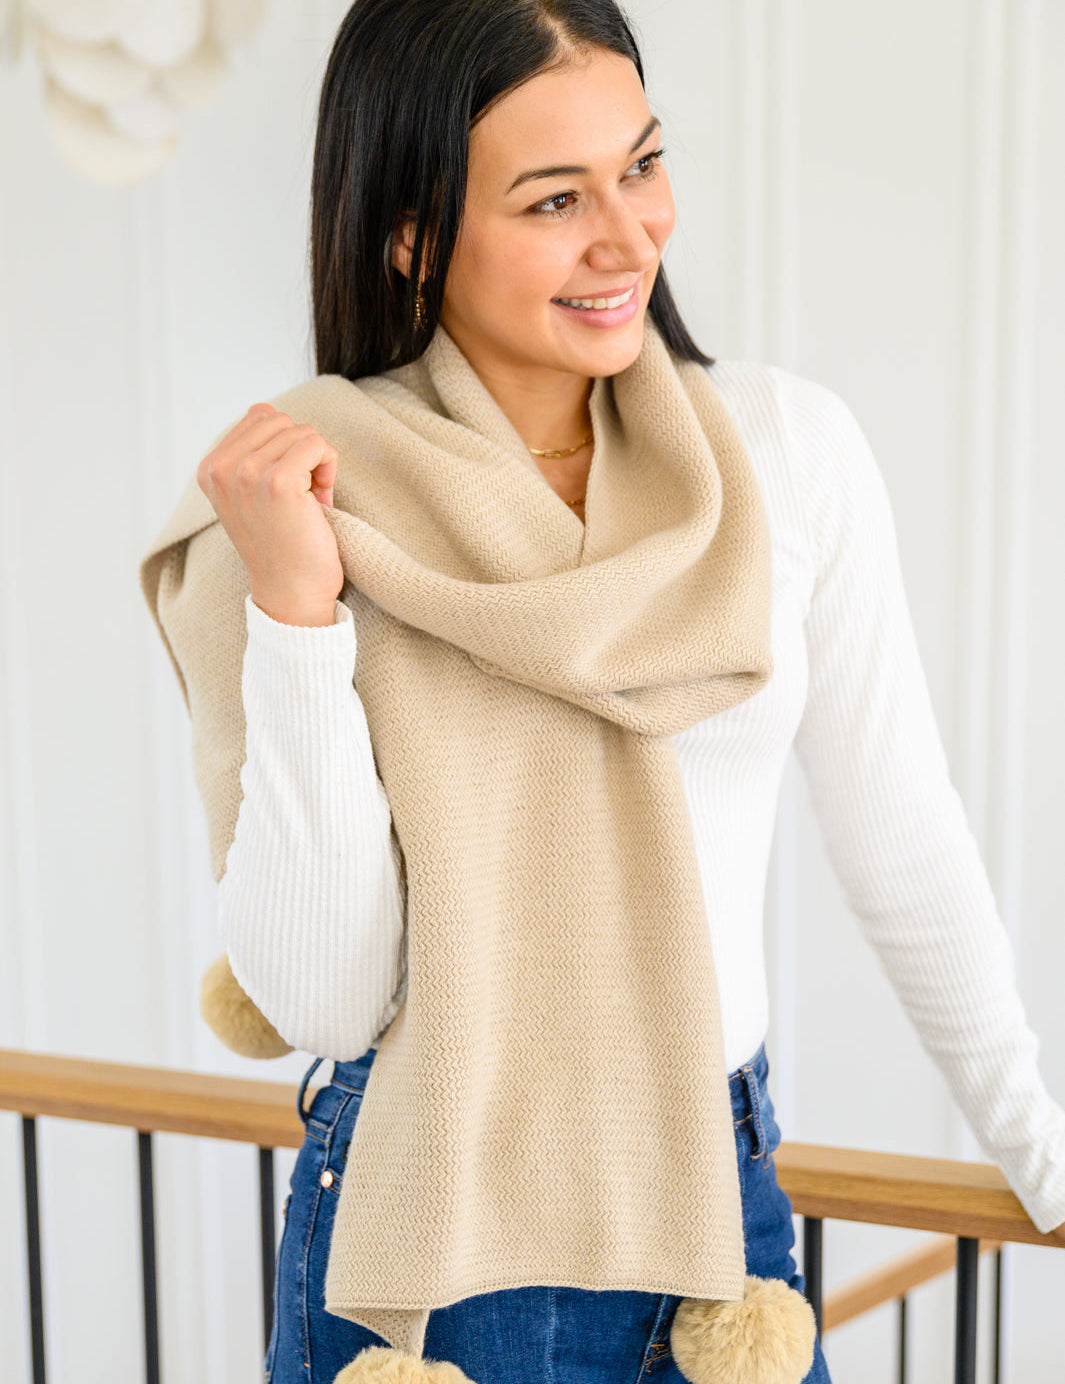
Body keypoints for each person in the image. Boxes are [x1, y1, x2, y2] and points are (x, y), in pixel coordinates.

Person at [161, 1, 1065, 1381]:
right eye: (553, 199)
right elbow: (331, 998)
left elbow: (902, 837)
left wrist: (1042, 1158)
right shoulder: (302, 500)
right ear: (410, 232)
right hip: (433, 1245)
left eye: (640, 165)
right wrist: (295, 614)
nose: (630, 235)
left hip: (716, 1209)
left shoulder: (783, 453)